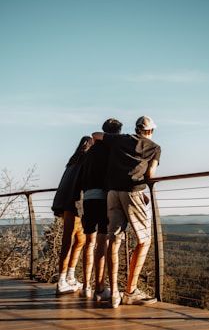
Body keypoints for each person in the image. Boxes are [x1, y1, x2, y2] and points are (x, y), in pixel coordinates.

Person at [92, 115, 161, 308]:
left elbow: (96, 135)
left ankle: (114, 293)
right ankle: (130, 291)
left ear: (137, 128)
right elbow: (150, 175)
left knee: (114, 239)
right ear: (150, 131)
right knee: (145, 240)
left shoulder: (120, 139)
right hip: (132, 192)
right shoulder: (154, 148)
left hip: (112, 192)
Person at [80, 119, 123, 300]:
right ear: (117, 133)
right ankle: (99, 288)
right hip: (104, 198)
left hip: (87, 198)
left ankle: (85, 286)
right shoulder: (111, 150)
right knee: (103, 242)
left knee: (89, 242)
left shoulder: (90, 152)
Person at [52, 136, 93, 295]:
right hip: (74, 202)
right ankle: (62, 280)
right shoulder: (85, 162)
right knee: (69, 239)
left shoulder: (72, 162)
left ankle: (69, 276)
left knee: (80, 239)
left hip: (64, 200)